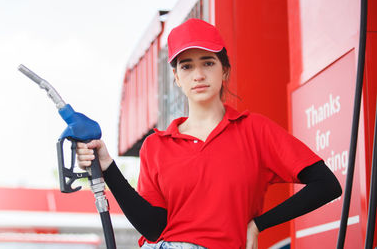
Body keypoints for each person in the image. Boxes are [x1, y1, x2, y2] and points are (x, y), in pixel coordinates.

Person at [76, 18, 342, 249]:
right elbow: (154, 228)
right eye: (187, 66)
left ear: (224, 70)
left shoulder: (255, 131)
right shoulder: (156, 145)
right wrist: (108, 167)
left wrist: (258, 225)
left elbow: (326, 184)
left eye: (208, 62)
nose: (199, 74)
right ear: (177, 78)